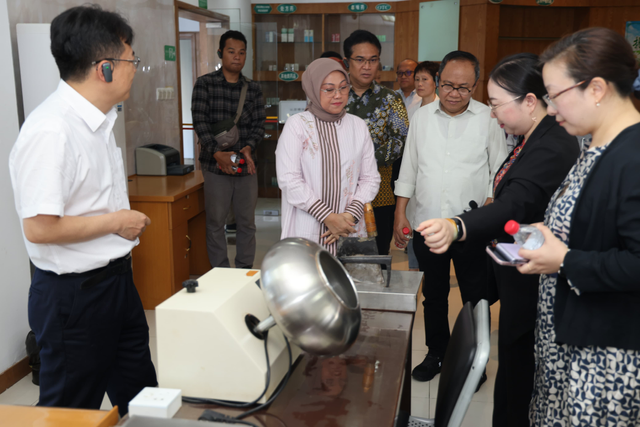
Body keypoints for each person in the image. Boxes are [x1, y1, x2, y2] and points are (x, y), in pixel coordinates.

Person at [415, 53, 579, 426]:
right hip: (518, 268)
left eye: (496, 105)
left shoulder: (552, 144)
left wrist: (457, 226)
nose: (492, 114)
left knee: (520, 376)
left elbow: (515, 203)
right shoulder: (532, 136)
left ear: (530, 101)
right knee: (512, 372)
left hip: (536, 279)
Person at [8, 5, 157, 416]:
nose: (134, 69)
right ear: (104, 68)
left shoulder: (100, 122)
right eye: (131, 60)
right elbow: (39, 228)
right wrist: (117, 221)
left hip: (115, 284)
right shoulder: (52, 130)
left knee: (143, 397)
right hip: (74, 297)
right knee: (69, 411)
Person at [516, 27, 640, 426]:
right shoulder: (593, 146)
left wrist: (565, 260)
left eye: (556, 95)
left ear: (597, 89)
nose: (551, 109)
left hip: (605, 358)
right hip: (571, 338)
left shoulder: (633, 157)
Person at [393, 51, 507, 383]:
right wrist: (401, 210)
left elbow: (498, 170)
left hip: (471, 227)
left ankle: (476, 361)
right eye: (447, 85)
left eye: (463, 87)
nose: (454, 93)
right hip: (427, 222)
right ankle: (437, 353)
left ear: (476, 86)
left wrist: (490, 202)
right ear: (437, 80)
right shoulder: (422, 117)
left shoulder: (488, 118)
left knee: (475, 297)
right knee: (434, 294)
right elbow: (410, 168)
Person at [276, 58, 380, 255]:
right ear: (313, 89)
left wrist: (348, 218)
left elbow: (370, 178)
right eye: (329, 89)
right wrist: (328, 218)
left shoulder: (358, 126)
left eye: (343, 88)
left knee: (346, 282)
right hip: (308, 227)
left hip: (349, 228)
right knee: (308, 281)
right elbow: (289, 179)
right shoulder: (297, 125)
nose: (338, 95)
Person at [192, 30, 266, 269]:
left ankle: (243, 271)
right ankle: (220, 273)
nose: (237, 57)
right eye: (231, 51)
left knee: (247, 223)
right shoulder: (205, 84)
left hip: (246, 165)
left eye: (242, 52)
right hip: (214, 166)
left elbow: (259, 124)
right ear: (220, 53)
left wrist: (248, 147)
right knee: (215, 222)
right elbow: (200, 121)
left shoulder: (253, 89)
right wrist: (216, 153)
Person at [343, 29, 409, 256]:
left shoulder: (391, 98)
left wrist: (366, 161)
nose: (367, 66)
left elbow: (401, 139)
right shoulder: (333, 97)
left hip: (380, 194)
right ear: (347, 62)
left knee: (377, 254)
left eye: (373, 60)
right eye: (360, 60)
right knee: (339, 255)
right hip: (338, 192)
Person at [401, 60, 440, 272]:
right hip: (411, 172)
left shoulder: (441, 107)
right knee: (412, 221)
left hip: (430, 175)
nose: (419, 83)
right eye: (417, 79)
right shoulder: (412, 107)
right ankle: (414, 268)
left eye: (424, 79)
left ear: (436, 82)